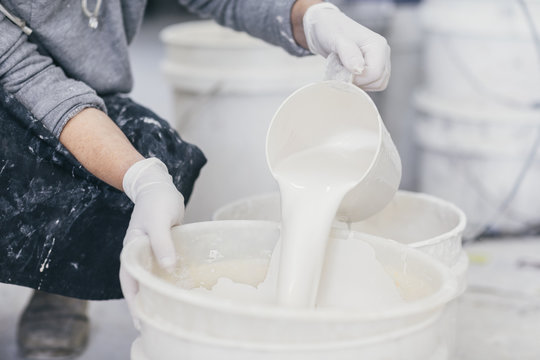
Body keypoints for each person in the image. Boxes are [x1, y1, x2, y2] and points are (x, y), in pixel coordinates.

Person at [0, 0, 391, 358]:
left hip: (77, 90)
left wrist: (310, 18)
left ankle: (58, 283)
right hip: (12, 89)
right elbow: (23, 74)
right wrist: (138, 177)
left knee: (150, 148)